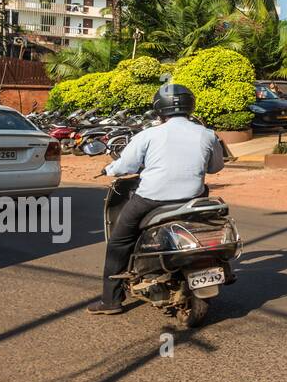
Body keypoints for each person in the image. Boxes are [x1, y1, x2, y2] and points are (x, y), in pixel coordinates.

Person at [86, 83, 226, 315]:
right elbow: (215, 167)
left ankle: (110, 301)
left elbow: (127, 165)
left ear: (159, 109)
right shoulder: (208, 134)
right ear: (190, 106)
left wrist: (109, 169)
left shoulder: (149, 135)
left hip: (151, 200)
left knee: (119, 242)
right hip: (192, 201)